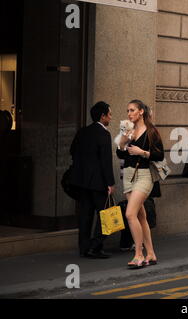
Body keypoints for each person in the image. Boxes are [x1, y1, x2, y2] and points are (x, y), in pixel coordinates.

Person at [117, 99, 164, 268]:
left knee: (130, 214)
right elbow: (120, 154)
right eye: (127, 110)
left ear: (141, 112)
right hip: (128, 175)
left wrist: (142, 152)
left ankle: (138, 254)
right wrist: (123, 140)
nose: (129, 114)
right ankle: (151, 254)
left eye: (132, 110)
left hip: (144, 175)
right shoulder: (128, 130)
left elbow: (159, 155)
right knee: (140, 216)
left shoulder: (151, 131)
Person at [70, 101, 115, 259]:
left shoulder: (83, 131)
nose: (111, 117)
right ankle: (95, 246)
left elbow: (72, 151)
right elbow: (106, 161)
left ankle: (84, 248)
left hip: (82, 181)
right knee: (108, 214)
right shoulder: (104, 134)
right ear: (102, 116)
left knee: (85, 215)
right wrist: (110, 183)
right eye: (109, 114)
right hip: (98, 182)